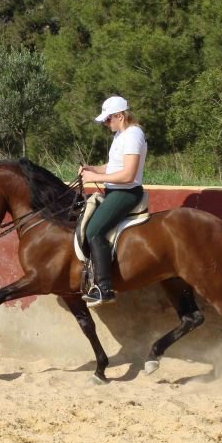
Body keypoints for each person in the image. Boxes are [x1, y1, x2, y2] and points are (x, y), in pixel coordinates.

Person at [79, 95, 148, 307]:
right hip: (114, 190)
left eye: (108, 120)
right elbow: (113, 167)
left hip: (126, 193)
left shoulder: (133, 135)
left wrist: (94, 178)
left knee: (93, 231)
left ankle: (104, 288)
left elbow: (127, 175)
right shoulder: (120, 135)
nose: (106, 124)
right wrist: (92, 169)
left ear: (120, 115)